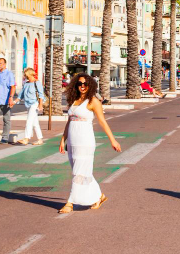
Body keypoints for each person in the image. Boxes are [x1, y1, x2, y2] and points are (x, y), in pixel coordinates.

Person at [57, 74, 122, 214]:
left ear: (90, 85)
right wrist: (63, 139)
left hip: (85, 139)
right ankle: (99, 196)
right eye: (80, 83)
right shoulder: (74, 100)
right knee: (82, 171)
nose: (82, 86)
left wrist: (113, 140)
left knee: (78, 172)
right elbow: (69, 121)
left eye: (86, 83)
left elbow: (102, 122)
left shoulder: (93, 101)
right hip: (73, 140)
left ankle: (70, 202)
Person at [13, 67, 46, 145]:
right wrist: (14, 102)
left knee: (29, 120)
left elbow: (41, 95)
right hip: (28, 104)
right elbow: (20, 96)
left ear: (29, 74)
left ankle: (26, 138)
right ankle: (40, 139)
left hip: (35, 104)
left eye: (25, 74)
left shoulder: (37, 83)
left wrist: (40, 105)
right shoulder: (26, 84)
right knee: (35, 123)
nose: (24, 76)